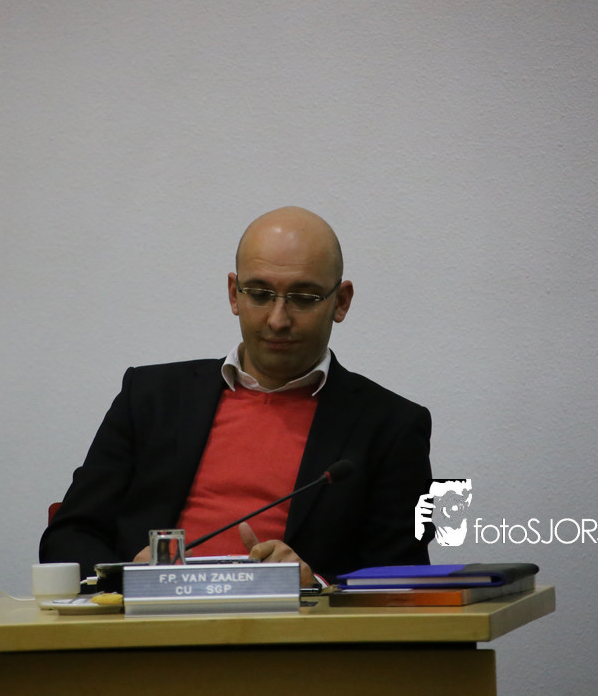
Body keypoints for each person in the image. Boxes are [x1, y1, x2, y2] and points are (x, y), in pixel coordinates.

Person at [39, 206, 432, 586]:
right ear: (233, 294)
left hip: (296, 627)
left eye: (304, 298)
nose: (278, 319)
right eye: (260, 294)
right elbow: (68, 536)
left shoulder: (392, 427)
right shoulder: (150, 397)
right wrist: (128, 577)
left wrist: (315, 584)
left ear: (341, 302)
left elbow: (401, 575)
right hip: (153, 622)